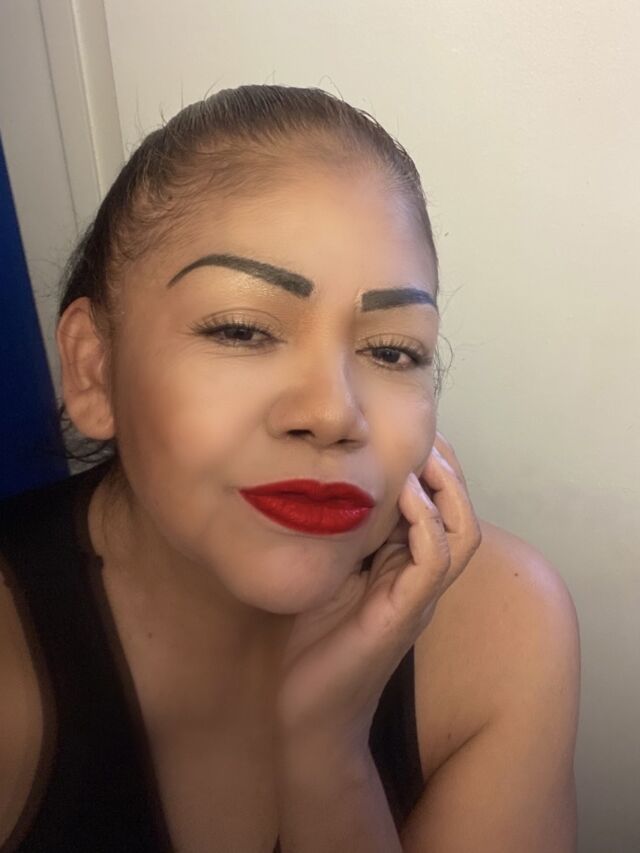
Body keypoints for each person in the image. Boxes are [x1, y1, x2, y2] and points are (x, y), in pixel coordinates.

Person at [0, 84, 580, 853]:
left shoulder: (504, 627)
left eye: (392, 350)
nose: (334, 412)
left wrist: (328, 756)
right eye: (243, 330)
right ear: (93, 368)